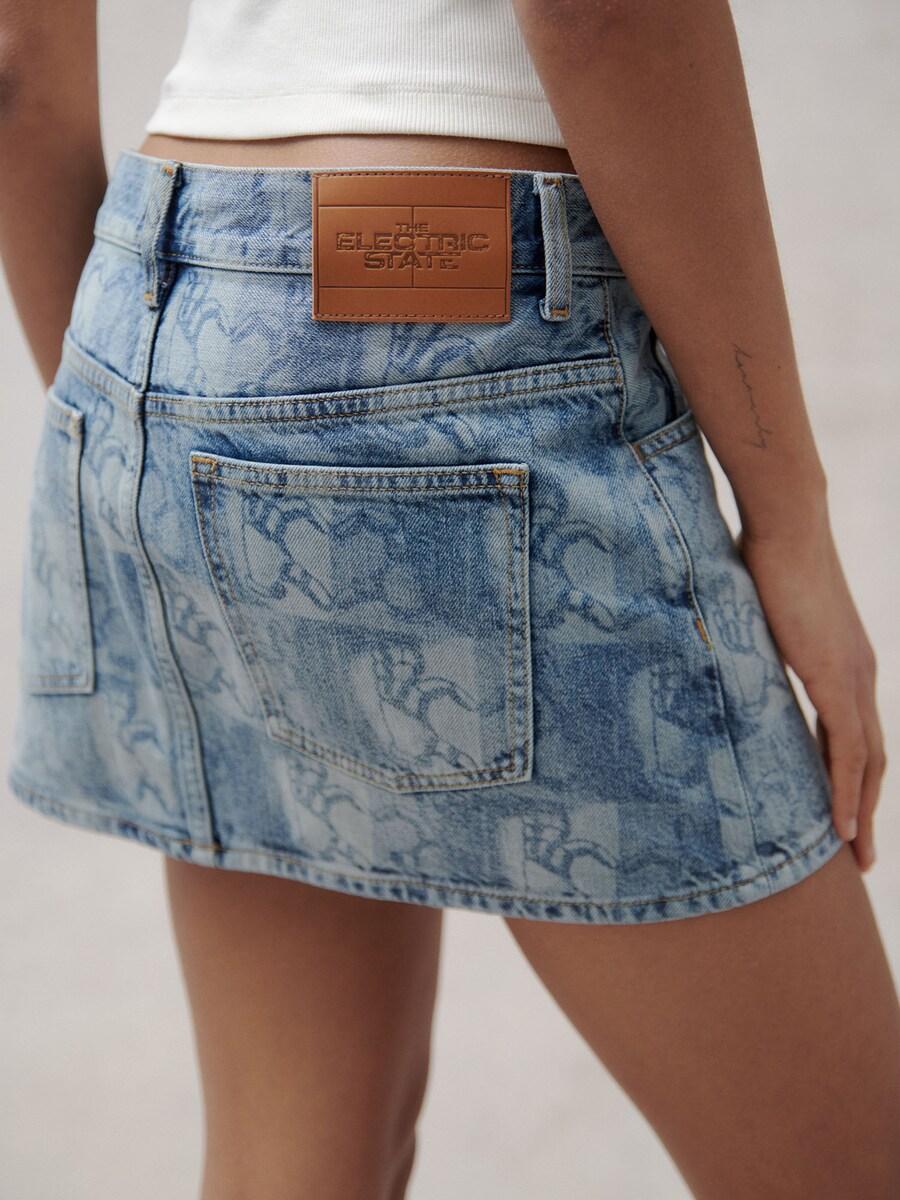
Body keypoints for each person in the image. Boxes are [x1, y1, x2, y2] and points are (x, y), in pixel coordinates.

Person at [2, 1, 898, 1197]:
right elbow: (603, 13)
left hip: (145, 317)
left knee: (300, 1165)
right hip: (467, 322)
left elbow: (13, 61)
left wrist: (140, 424)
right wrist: (790, 517)